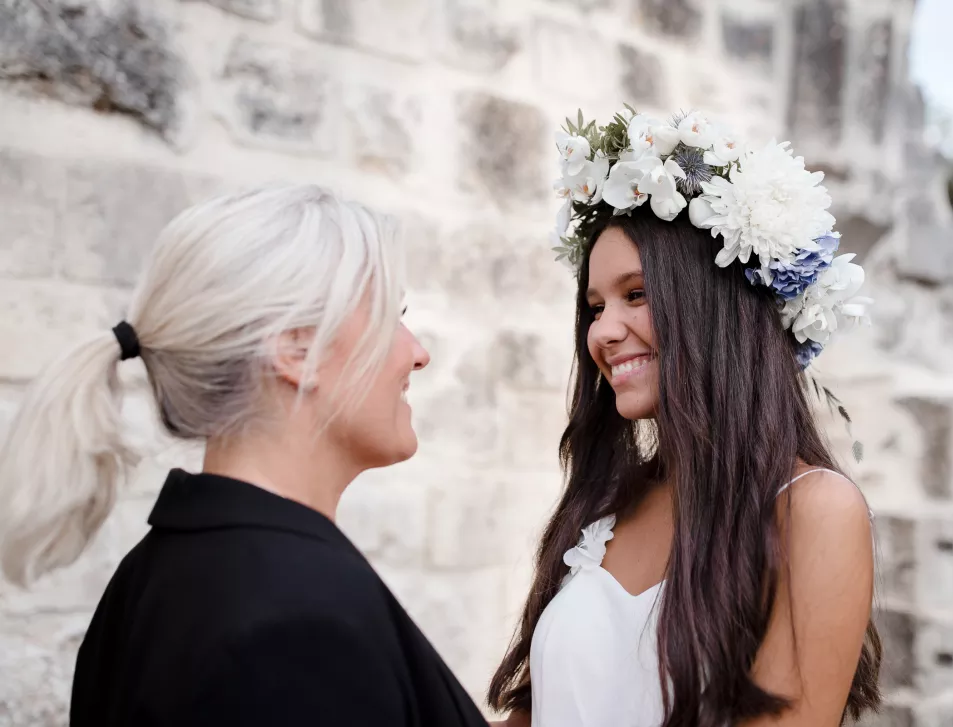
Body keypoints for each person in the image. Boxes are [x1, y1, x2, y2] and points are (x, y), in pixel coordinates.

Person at [0, 184, 490, 727]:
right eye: (391, 316)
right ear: (297, 350)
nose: (418, 353)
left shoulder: (156, 576)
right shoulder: (295, 623)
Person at [488, 109, 882, 726]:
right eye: (595, 307)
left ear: (714, 307)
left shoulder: (815, 511)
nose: (603, 332)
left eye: (635, 295)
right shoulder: (608, 501)